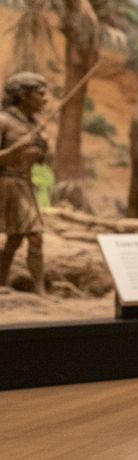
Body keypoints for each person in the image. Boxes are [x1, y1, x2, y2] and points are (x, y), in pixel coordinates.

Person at [0, 72, 50, 295]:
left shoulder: (33, 125)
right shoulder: (3, 121)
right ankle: (37, 290)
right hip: (7, 185)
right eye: (40, 94)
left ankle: (8, 282)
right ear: (23, 95)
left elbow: (39, 163)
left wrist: (43, 147)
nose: (45, 99)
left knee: (18, 239)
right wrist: (20, 146)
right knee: (30, 236)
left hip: (25, 185)